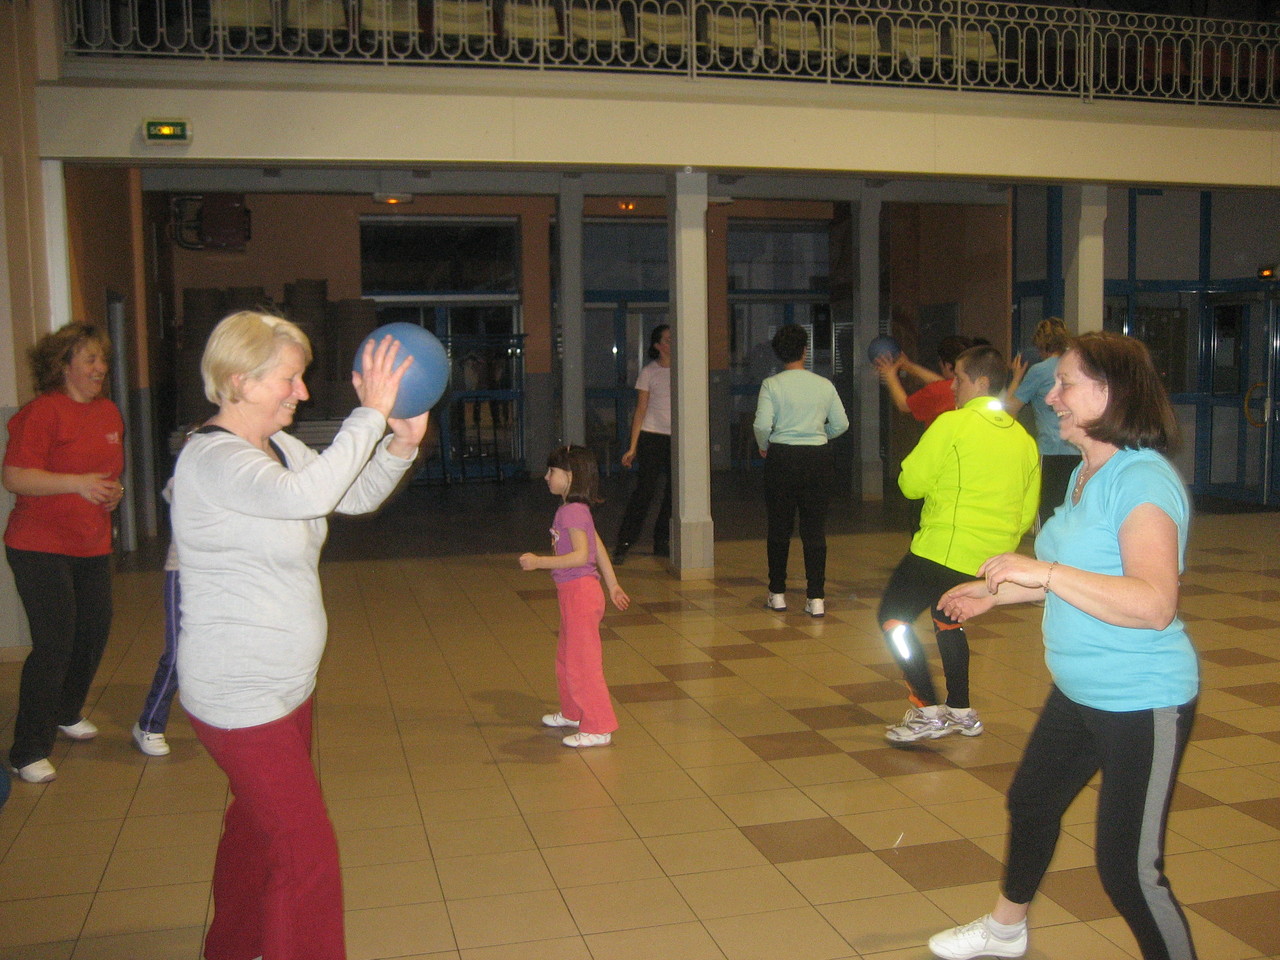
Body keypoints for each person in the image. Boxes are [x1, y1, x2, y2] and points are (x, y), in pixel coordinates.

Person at [929, 332, 1198, 960]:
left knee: (1129, 871)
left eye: (1065, 382)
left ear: (1111, 393)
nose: (1051, 395)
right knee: (1031, 802)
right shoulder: (1085, 472)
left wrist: (1042, 573)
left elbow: (1153, 603)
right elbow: (1083, 583)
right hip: (1080, 690)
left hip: (1142, 698)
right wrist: (995, 594)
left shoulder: (1141, 482)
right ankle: (1004, 932)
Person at [173, 310, 426, 960]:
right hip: (239, 697)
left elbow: (350, 496)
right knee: (306, 854)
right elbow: (304, 496)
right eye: (289, 379)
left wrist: (400, 443)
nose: (302, 391)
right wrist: (369, 413)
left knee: (258, 832)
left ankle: (232, 946)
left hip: (288, 688)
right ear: (239, 380)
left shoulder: (280, 448)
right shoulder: (212, 459)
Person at [880, 345, 1039, 744]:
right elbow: (1025, 513)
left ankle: (927, 710)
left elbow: (910, 484)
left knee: (894, 619)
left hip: (941, 549)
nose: (953, 386)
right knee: (948, 618)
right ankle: (962, 711)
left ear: (981, 383)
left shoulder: (952, 425)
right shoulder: (1023, 439)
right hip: (987, 558)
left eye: (961, 379)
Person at [5, 322, 124, 785]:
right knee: (55, 643)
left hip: (91, 542)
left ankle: (65, 711)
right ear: (64, 366)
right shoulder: (42, 413)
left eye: (102, 360)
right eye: (90, 359)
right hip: (39, 546)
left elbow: (107, 475)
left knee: (93, 633)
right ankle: (26, 749)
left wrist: (114, 494)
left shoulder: (110, 412)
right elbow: (15, 476)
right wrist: (76, 484)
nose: (100, 368)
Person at [520, 444, 629, 748]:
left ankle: (599, 726)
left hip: (580, 595)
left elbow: (582, 556)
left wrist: (540, 562)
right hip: (575, 595)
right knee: (567, 659)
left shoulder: (571, 511)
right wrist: (613, 584)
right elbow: (598, 546)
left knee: (584, 664)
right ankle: (573, 713)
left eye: (551, 472)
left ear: (568, 476)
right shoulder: (575, 510)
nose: (546, 477)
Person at [753, 323, 849, 617]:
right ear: (805, 351)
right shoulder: (824, 385)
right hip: (818, 460)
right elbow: (841, 424)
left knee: (779, 529)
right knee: (814, 531)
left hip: (781, 458)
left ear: (778, 354)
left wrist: (765, 445)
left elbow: (761, 425)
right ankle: (815, 597)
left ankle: (778, 593)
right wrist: (820, 436)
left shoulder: (772, 385)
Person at [1005, 317, 1080, 526]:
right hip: (1078, 450)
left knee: (1048, 510)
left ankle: (1045, 557)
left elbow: (1010, 410)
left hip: (1051, 450)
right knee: (1073, 510)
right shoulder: (1075, 367)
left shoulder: (1039, 371)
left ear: (1040, 344)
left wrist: (1017, 377)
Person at [132, 476, 181, 757]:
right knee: (176, 654)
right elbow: (174, 492)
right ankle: (150, 724)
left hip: (231, 575)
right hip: (184, 571)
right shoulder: (196, 460)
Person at [614, 324, 671, 563]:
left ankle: (662, 540)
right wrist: (633, 446)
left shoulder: (684, 370)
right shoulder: (649, 372)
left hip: (676, 439)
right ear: (658, 346)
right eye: (668, 339)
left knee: (674, 494)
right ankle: (624, 543)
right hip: (652, 436)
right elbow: (640, 410)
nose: (673, 342)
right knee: (644, 492)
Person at [875, 334, 972, 427]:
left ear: (947, 365)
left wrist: (890, 375)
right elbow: (941, 383)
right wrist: (907, 365)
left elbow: (904, 405)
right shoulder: (972, 386)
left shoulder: (941, 390)